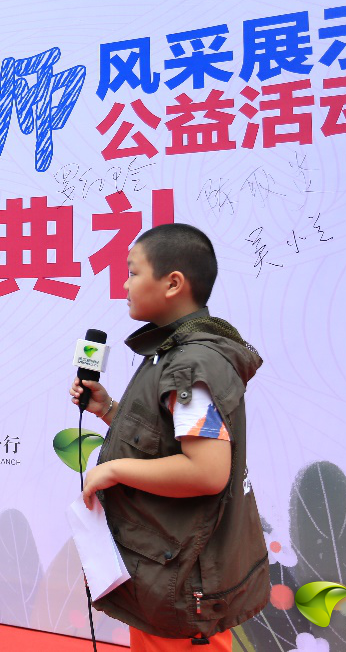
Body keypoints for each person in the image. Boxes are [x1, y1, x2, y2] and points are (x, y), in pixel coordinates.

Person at [69, 223, 269, 652]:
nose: (124, 284)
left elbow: (206, 471)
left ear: (173, 283)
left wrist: (113, 470)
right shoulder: (175, 352)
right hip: (168, 564)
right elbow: (169, 440)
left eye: (133, 272)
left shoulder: (189, 365)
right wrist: (108, 410)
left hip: (182, 577)